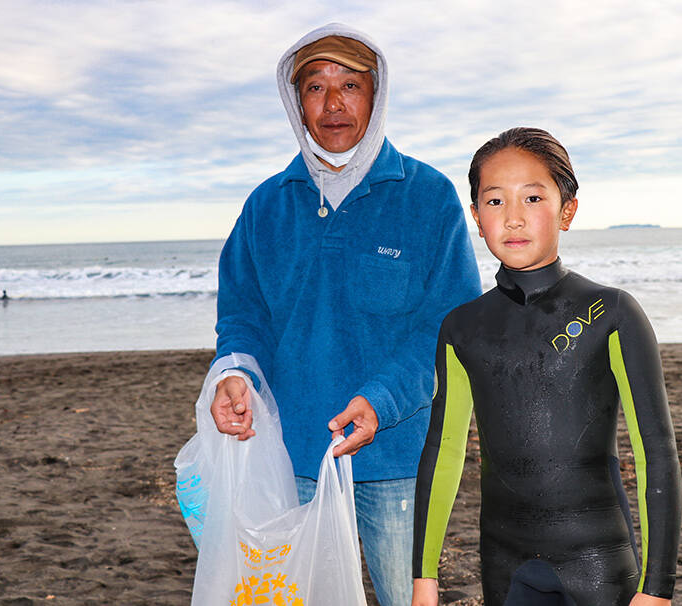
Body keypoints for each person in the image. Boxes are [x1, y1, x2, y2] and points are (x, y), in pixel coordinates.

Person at [208, 23, 481, 606]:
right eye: (315, 87)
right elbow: (242, 316)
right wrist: (235, 373)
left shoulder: (428, 197)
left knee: (407, 597)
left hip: (397, 459)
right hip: (292, 454)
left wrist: (380, 402)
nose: (333, 104)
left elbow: (446, 329)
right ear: (295, 99)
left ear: (375, 94)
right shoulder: (265, 206)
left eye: (350, 85)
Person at [412, 128, 681, 606]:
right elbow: (445, 450)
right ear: (476, 217)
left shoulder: (610, 312)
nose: (513, 218)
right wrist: (425, 576)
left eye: (532, 197)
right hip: (502, 563)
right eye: (494, 202)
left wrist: (656, 588)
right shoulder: (462, 328)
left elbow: (655, 451)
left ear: (567, 210)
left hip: (597, 562)